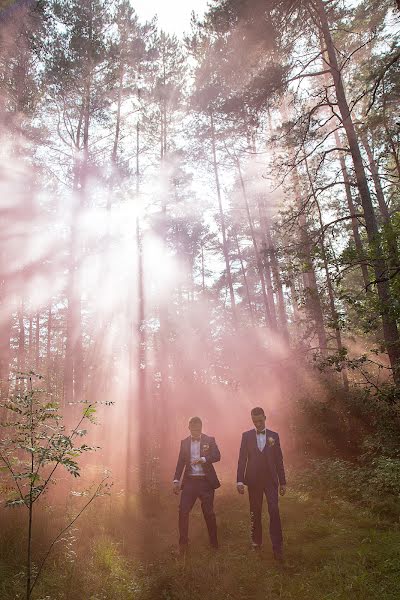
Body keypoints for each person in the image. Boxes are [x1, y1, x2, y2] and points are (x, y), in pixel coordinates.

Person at [236, 407, 286, 560]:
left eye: (260, 420)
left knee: (274, 510)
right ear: (252, 420)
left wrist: (282, 482)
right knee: (255, 511)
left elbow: (279, 460)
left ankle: (277, 547)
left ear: (265, 417)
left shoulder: (274, 436)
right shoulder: (246, 436)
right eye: (254, 421)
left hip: (271, 480)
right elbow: (242, 459)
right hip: (253, 480)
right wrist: (239, 480)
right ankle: (256, 543)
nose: (257, 423)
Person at [173, 416, 221, 553]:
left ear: (201, 427)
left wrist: (204, 459)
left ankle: (214, 544)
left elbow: (217, 456)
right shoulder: (184, 443)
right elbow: (180, 463)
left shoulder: (209, 440)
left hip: (206, 482)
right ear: (189, 428)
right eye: (193, 429)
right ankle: (183, 545)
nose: (196, 432)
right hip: (190, 483)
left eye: (198, 429)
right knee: (183, 511)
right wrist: (176, 480)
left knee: (209, 513)